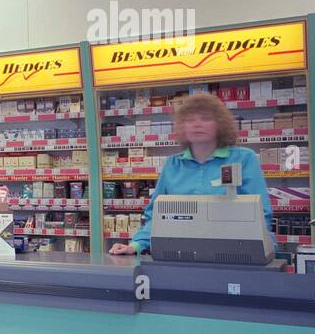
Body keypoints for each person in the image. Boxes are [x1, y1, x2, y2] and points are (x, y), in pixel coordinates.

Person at [109, 92, 272, 256]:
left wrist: (252, 251)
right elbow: (157, 216)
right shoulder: (173, 165)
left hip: (235, 253)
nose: (197, 124)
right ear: (182, 126)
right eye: (190, 120)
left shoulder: (243, 159)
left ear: (220, 124)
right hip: (182, 252)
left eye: (205, 118)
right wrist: (136, 245)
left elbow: (260, 214)